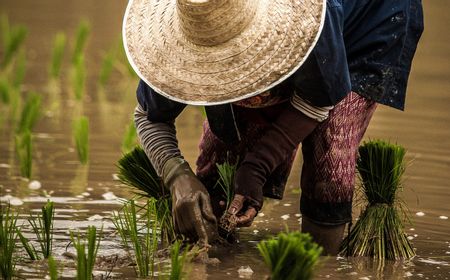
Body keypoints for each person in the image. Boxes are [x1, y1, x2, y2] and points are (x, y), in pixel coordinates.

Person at [123, 0, 423, 255]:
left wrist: (259, 165)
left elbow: (319, 100)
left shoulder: (310, 19)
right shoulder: (180, 35)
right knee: (227, 149)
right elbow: (150, 116)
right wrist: (177, 177)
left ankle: (318, 263)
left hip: (366, 25)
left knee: (330, 155)